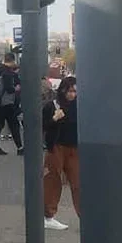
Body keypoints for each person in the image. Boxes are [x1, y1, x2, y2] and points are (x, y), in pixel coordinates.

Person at [42, 76, 80, 230]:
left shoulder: (80, 105)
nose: (72, 95)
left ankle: (86, 216)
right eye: (69, 91)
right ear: (63, 90)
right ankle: (48, 216)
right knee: (53, 180)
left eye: (75, 91)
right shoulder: (52, 105)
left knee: (78, 183)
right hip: (56, 147)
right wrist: (54, 119)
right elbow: (42, 125)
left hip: (75, 148)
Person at [0, 53, 23, 156]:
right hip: (8, 102)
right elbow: (9, 88)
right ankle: (20, 148)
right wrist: (16, 88)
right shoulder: (8, 72)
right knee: (14, 125)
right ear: (12, 61)